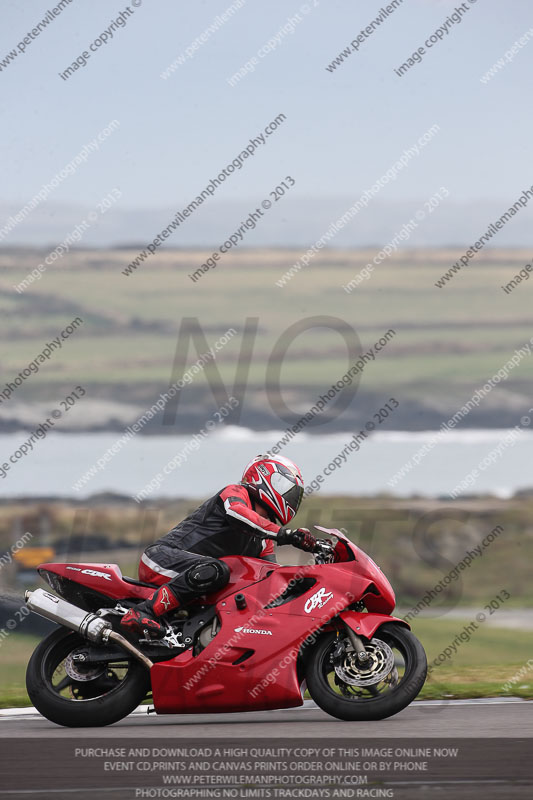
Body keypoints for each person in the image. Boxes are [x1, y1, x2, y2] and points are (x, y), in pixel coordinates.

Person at [121, 454, 317, 637]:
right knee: (217, 570)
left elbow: (271, 579)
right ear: (264, 476)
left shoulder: (264, 540)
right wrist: (286, 535)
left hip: (198, 575)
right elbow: (238, 513)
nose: (291, 498)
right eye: (287, 489)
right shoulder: (236, 493)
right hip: (161, 558)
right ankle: (143, 612)